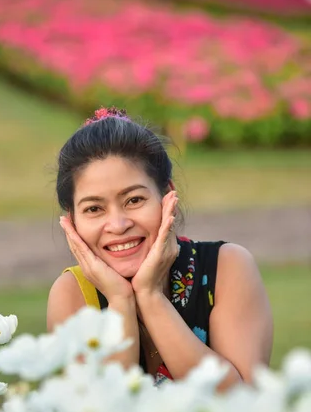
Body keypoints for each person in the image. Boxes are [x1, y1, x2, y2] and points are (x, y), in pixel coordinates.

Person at [47, 107, 273, 390]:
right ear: (72, 221)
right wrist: (120, 300)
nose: (117, 225)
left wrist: (151, 296)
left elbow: (242, 403)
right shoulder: (73, 294)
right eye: (94, 209)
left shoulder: (227, 267)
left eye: (134, 200)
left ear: (167, 196)